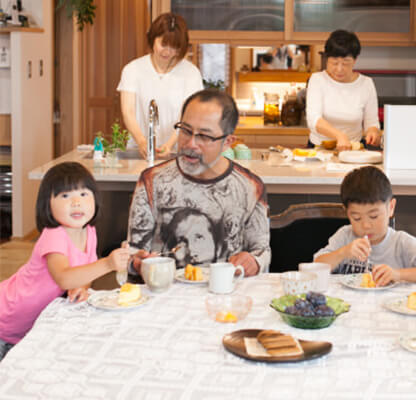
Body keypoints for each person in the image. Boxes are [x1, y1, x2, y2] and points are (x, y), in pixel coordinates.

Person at [128, 89, 270, 275]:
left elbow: (262, 251)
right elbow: (131, 256)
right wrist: (138, 263)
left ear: (227, 142)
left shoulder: (250, 187)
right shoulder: (152, 181)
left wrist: (254, 262)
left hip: (227, 295)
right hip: (167, 295)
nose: (190, 143)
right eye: (186, 131)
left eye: (204, 136)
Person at [0, 162, 129, 361]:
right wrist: (108, 264)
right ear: (48, 205)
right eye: (65, 196)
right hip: (6, 319)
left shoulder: (89, 231)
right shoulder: (54, 235)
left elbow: (84, 269)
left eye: (84, 194)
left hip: (29, 327)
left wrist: (82, 288)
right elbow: (63, 278)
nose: (76, 202)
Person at [314, 166, 416, 285]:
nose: (366, 225)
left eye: (374, 216)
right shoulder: (345, 236)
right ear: (347, 212)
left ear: (391, 208)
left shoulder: (401, 242)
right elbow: (315, 268)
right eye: (356, 218)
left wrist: (397, 274)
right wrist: (343, 252)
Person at [117, 12, 203, 158]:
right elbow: (128, 112)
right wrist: (142, 142)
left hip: (178, 150)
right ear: (152, 39)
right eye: (163, 44)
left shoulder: (191, 73)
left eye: (174, 47)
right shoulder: (133, 69)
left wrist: (169, 145)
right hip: (139, 150)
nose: (167, 52)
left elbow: (188, 115)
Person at [306, 29, 382, 151]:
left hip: (354, 148)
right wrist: (339, 136)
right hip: (320, 148)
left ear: (355, 60)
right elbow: (314, 120)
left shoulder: (366, 84)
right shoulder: (317, 80)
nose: (339, 69)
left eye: (346, 63)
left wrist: (373, 132)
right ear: (327, 59)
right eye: (334, 63)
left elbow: (371, 122)